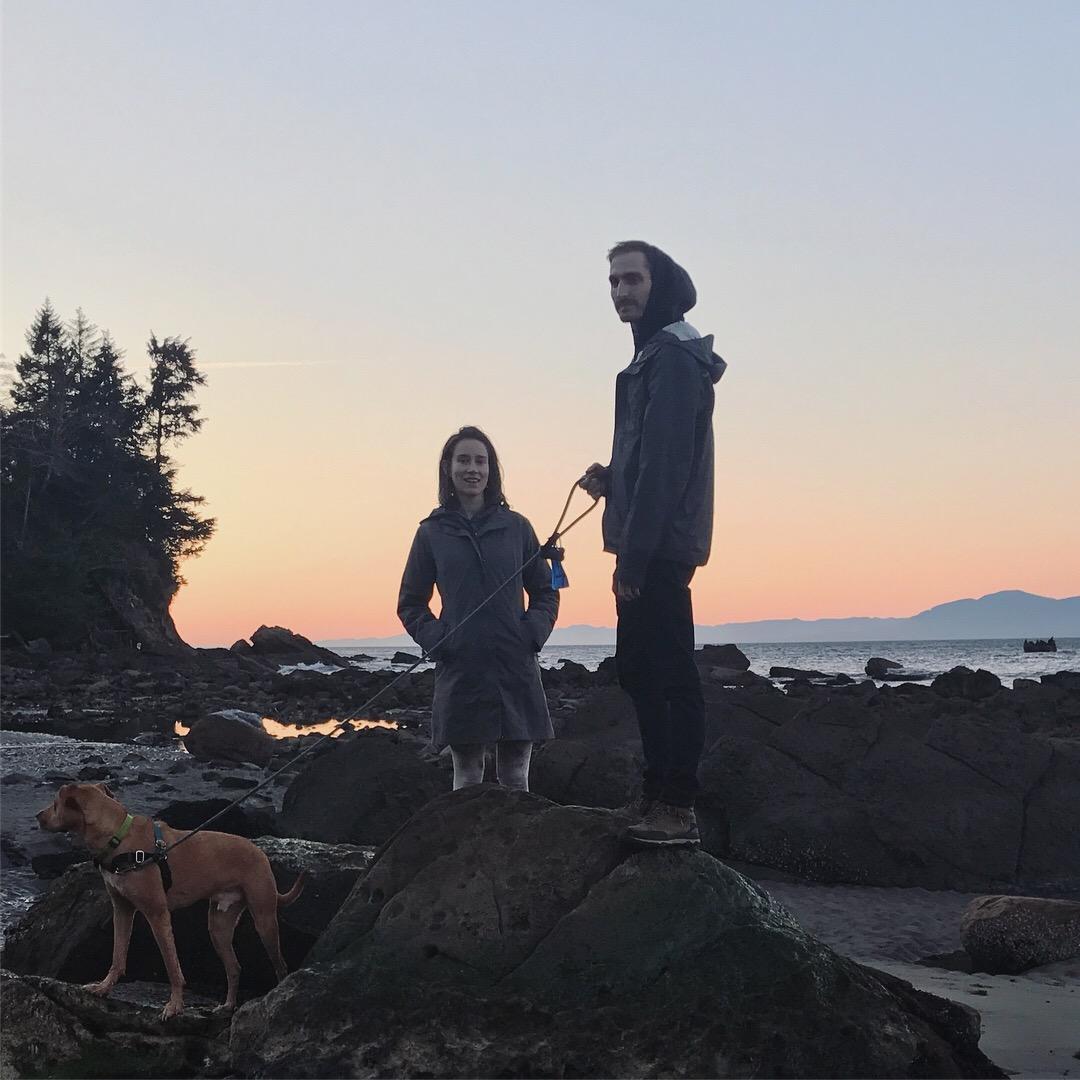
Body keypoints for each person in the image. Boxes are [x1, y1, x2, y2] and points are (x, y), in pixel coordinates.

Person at [580, 241, 727, 846]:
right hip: (646, 540)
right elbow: (650, 459)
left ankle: (675, 806)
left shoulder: (671, 357)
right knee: (641, 671)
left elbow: (668, 465)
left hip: (658, 549)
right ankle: (656, 791)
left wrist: (635, 557)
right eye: (613, 282)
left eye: (632, 279)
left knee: (667, 673)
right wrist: (612, 480)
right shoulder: (651, 359)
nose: (621, 291)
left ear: (658, 283)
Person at [399, 426, 558, 791]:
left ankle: (517, 848)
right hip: (461, 670)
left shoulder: (517, 527)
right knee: (467, 776)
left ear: (491, 470)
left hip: (515, 668)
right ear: (448, 468)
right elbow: (410, 602)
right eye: (464, 460)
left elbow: (546, 589)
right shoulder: (430, 533)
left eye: (481, 461)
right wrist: (439, 640)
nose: (473, 469)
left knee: (516, 776)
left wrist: (532, 632)